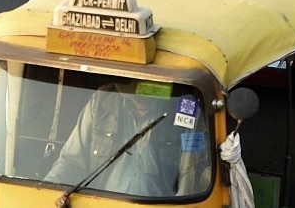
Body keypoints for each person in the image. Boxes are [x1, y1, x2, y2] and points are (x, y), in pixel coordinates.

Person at [44, 83, 208, 197]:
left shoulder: (185, 110)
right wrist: (45, 190)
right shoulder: (102, 101)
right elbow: (71, 161)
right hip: (100, 203)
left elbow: (190, 173)